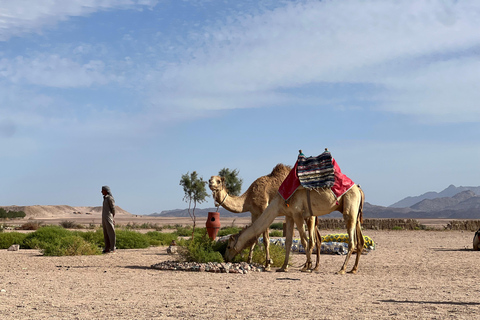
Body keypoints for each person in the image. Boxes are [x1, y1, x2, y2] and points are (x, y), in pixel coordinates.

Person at [101, 185, 116, 253]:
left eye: (103, 190)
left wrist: (112, 218)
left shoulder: (110, 198)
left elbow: (113, 209)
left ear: (106, 191)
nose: (101, 192)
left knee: (111, 232)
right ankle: (107, 247)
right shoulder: (105, 198)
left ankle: (113, 248)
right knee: (105, 233)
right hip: (104, 217)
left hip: (109, 217)